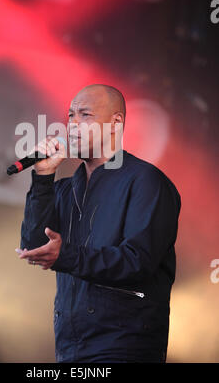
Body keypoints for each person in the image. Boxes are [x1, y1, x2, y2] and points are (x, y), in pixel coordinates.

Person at [17, 84, 181, 363]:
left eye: (85, 115)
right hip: (70, 348)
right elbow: (35, 245)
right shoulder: (66, 189)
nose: (73, 124)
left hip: (124, 347)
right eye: (70, 116)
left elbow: (137, 262)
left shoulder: (145, 181)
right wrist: (43, 178)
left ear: (116, 122)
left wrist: (65, 255)